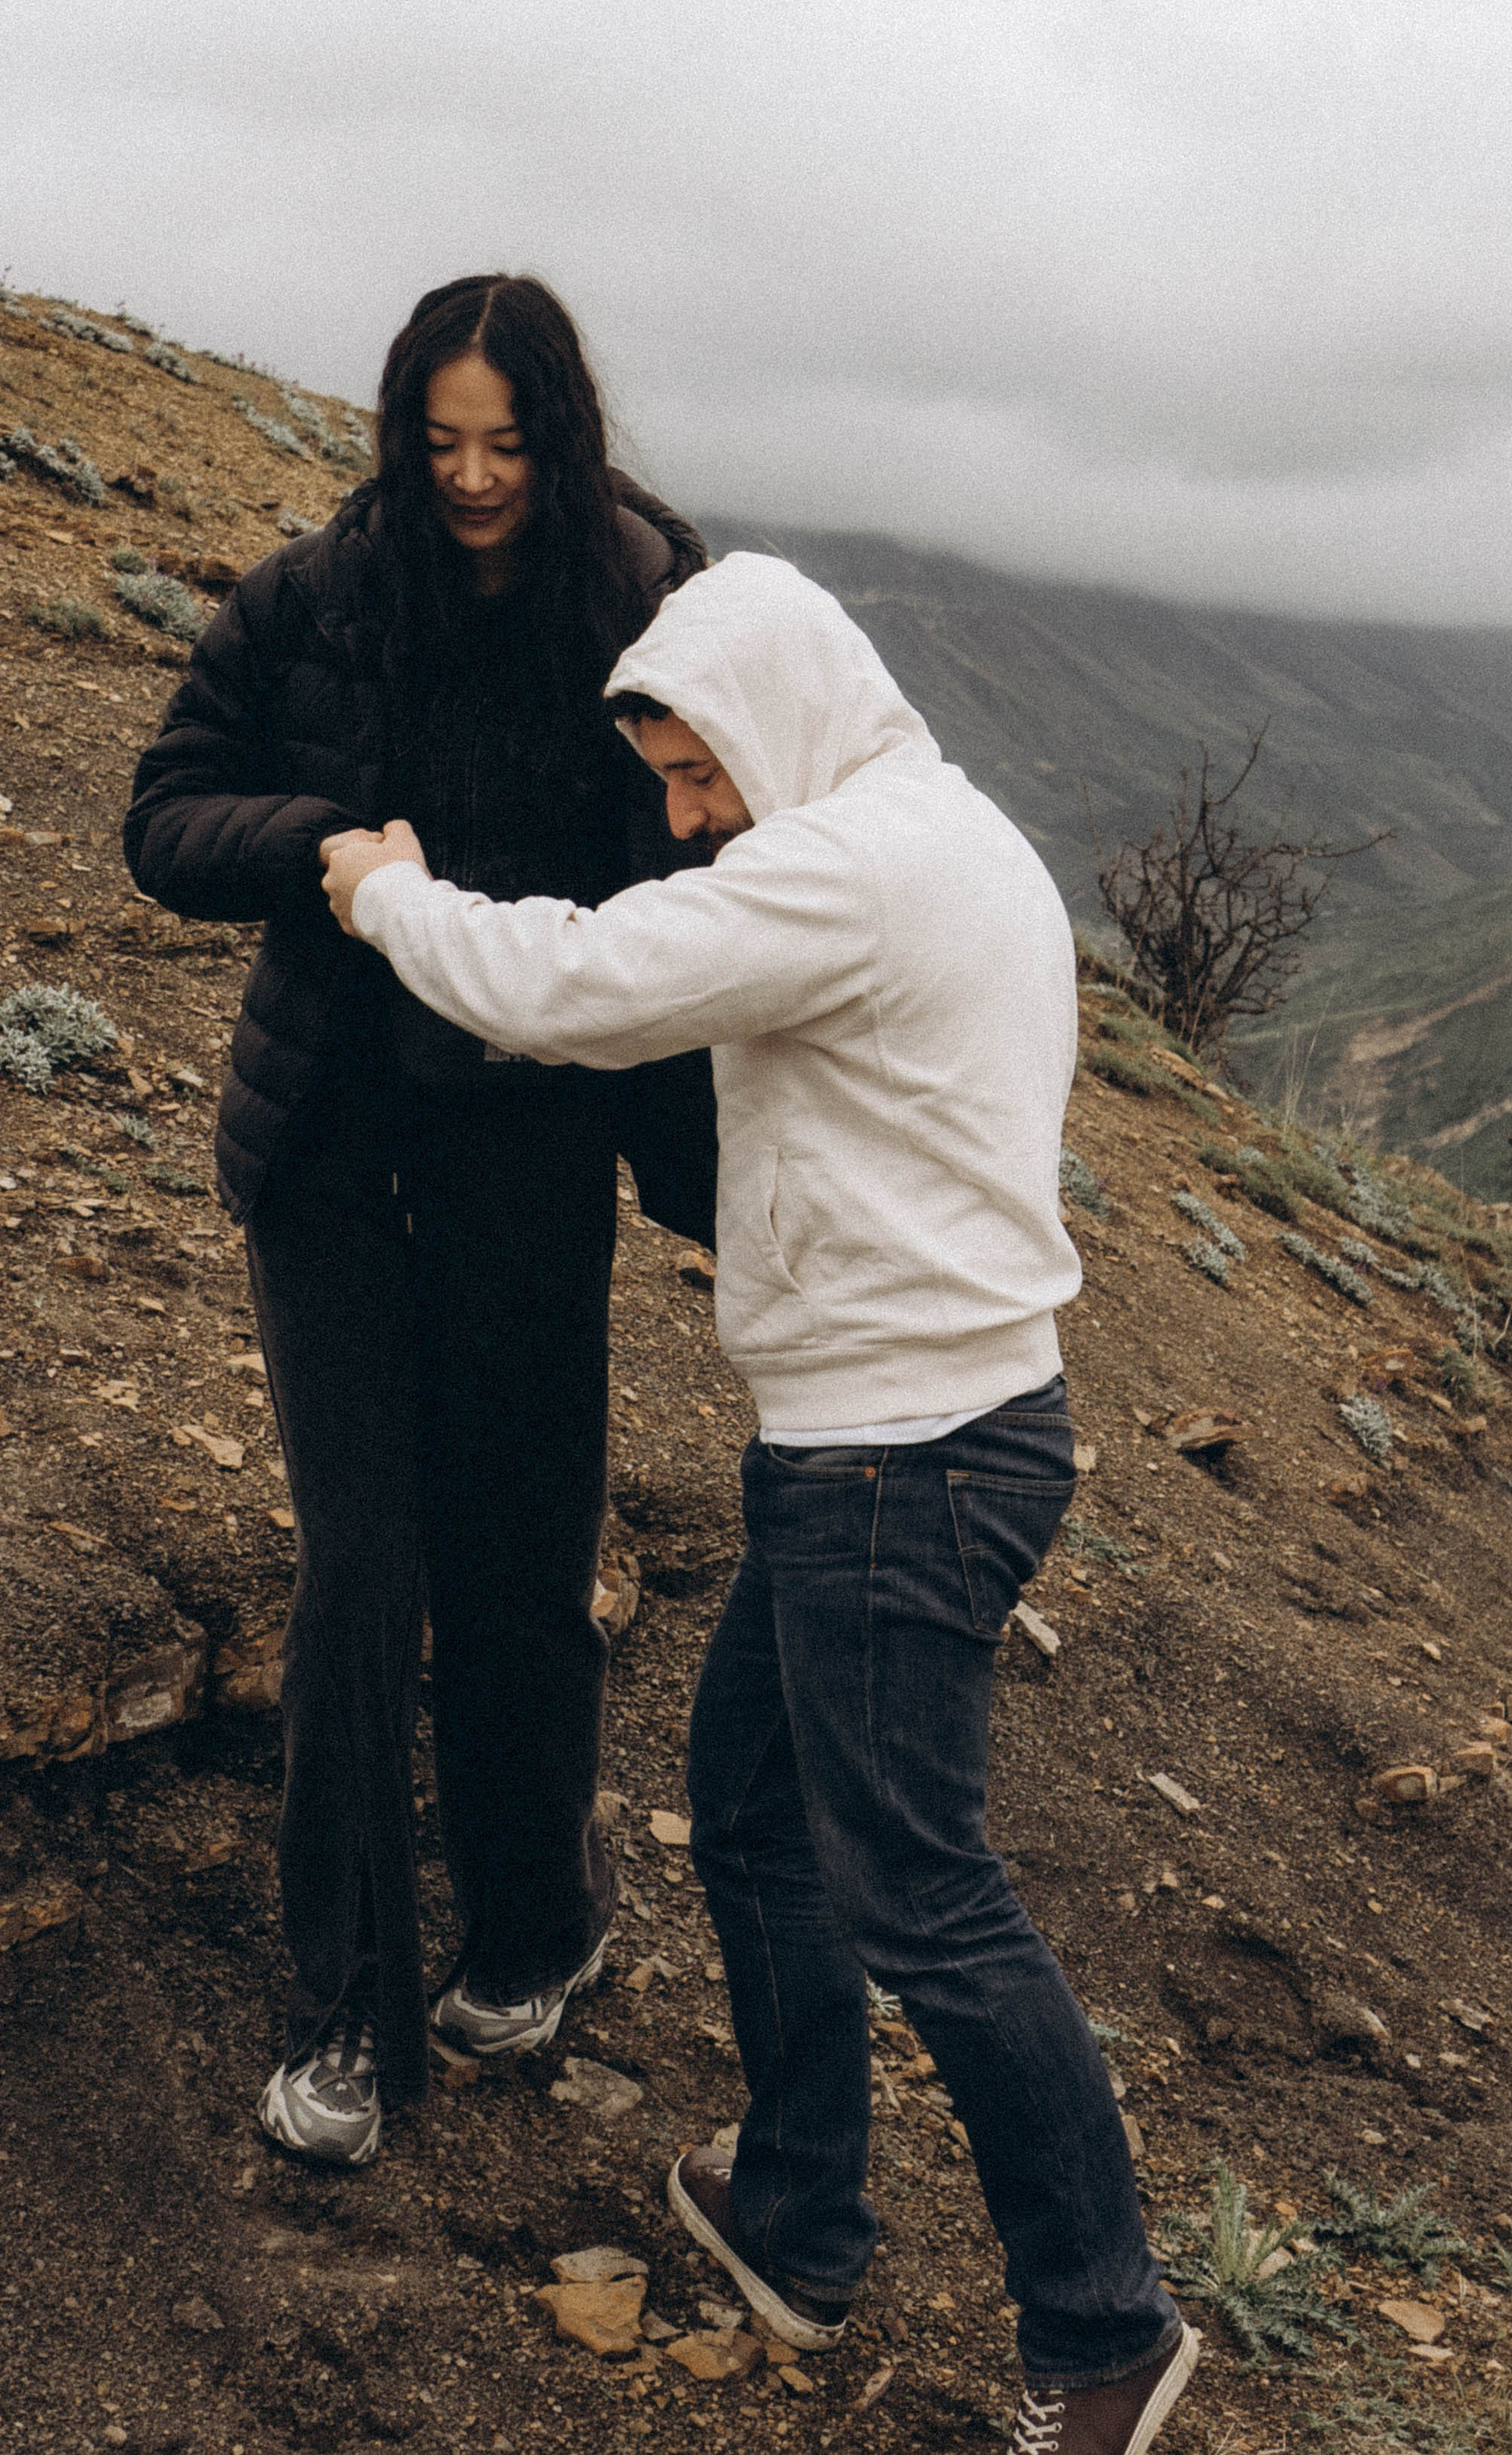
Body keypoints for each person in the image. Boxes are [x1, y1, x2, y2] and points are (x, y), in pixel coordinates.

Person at [319, 553, 1198, 2455]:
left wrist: (387, 892)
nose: (684, 815)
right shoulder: (947, 834)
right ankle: (797, 2208)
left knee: (928, 1899)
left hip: (894, 1461)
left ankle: (1102, 2327)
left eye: (698, 771)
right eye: (665, 781)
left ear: (781, 709)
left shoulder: (842, 868)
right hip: (913, 1436)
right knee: (752, 1808)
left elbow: (573, 987)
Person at [124, 274, 718, 2168]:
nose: (470, 479)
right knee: (360, 1571)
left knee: (523, 1566)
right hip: (328, 1149)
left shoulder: (639, 597)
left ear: (563, 432)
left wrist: (705, 1169)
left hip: (529, 1160)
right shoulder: (321, 588)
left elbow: (713, 872)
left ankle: (537, 1928)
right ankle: (341, 2010)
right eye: (439, 440)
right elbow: (161, 810)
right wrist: (318, 853)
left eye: (506, 444)